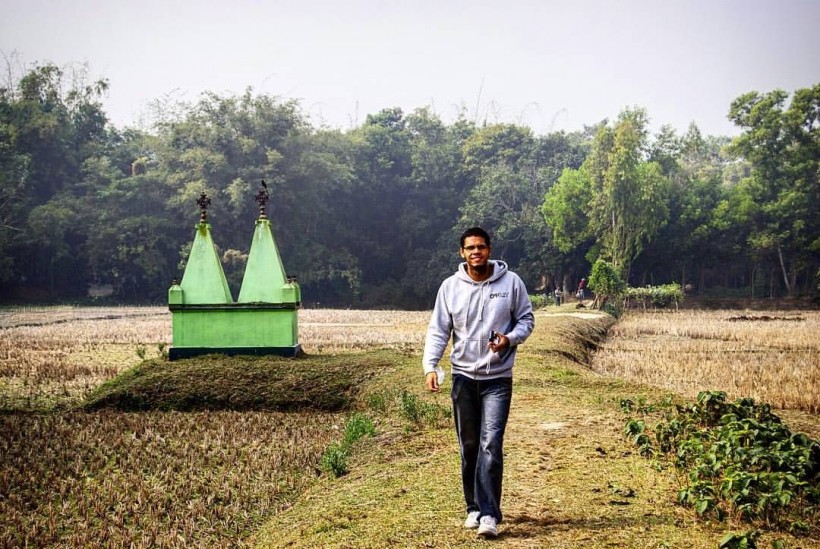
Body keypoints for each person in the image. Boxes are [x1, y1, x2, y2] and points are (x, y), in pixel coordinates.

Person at [422, 227, 535, 539]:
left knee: (491, 444)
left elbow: (526, 319)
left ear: (490, 249)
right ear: (462, 253)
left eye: (481, 247)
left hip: (497, 379)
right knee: (469, 445)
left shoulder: (511, 283)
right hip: (462, 378)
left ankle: (489, 514)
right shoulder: (450, 288)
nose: (476, 252)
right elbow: (439, 329)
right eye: (470, 248)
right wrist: (430, 365)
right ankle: (472, 506)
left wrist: (509, 339)